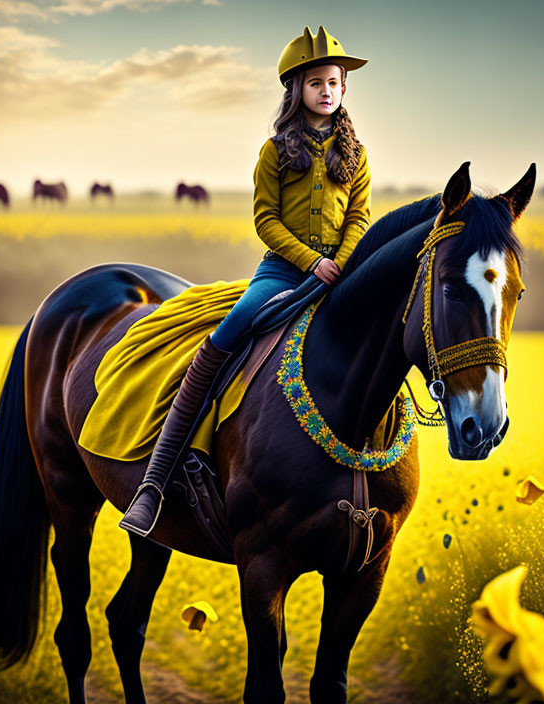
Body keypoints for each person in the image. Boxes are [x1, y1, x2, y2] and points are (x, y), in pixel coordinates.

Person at [120, 25, 372, 537]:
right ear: (296, 90)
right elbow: (266, 221)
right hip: (282, 270)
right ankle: (156, 480)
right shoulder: (275, 150)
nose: (327, 90)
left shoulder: (357, 154)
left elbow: (361, 220)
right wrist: (309, 262)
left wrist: (340, 265)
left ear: (344, 90)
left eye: (335, 82)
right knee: (230, 331)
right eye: (317, 82)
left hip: (340, 272)